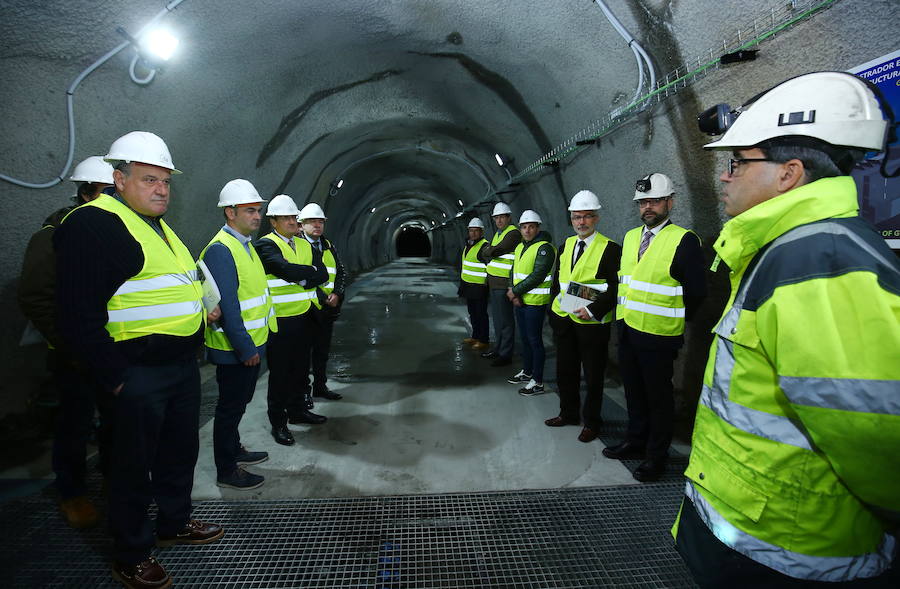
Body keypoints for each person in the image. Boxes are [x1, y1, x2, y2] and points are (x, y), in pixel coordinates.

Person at [673, 71, 900, 586]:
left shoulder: (820, 260)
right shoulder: (784, 251)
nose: (725, 176)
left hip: (792, 552)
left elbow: (876, 436)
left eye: (739, 162)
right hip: (755, 534)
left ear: (789, 174)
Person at [54, 132, 224, 589]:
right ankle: (131, 553)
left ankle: (173, 522)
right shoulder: (92, 225)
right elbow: (75, 312)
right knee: (130, 466)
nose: (161, 190)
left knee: (178, 453)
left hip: (179, 366)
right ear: (119, 179)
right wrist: (115, 378)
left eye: (166, 182)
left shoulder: (158, 226)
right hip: (135, 370)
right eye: (150, 179)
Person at [17, 156, 115, 528]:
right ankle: (71, 493)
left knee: (115, 422)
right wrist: (73, 343)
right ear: (87, 193)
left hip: (112, 349)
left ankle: (112, 480)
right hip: (74, 354)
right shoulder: (53, 236)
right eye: (105, 193)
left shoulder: (119, 235)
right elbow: (35, 296)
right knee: (73, 424)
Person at [603, 173, 706, 482]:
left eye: (654, 201)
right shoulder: (632, 237)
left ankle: (656, 457)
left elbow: (697, 292)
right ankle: (635, 441)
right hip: (629, 330)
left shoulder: (684, 240)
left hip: (660, 335)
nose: (648, 207)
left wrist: (673, 318)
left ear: (669, 202)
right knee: (633, 392)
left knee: (658, 398)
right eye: (643, 202)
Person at [199, 179, 276, 491]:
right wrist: (245, 349)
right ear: (230, 212)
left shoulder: (244, 244)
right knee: (229, 408)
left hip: (251, 342)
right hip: (234, 348)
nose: (257, 216)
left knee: (239, 403)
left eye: (258, 210)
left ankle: (234, 449)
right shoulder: (221, 249)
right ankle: (226, 468)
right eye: (249, 211)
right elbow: (228, 305)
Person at [544, 191, 621, 442]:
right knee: (565, 371)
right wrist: (553, 313)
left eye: (587, 216)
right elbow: (559, 282)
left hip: (592, 324)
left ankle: (592, 422)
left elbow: (617, 287)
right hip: (565, 321)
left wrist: (592, 309)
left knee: (593, 375)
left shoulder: (610, 249)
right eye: (577, 217)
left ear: (596, 218)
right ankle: (568, 413)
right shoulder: (565, 245)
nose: (581, 222)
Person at [254, 194, 328, 446]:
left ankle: (298, 411)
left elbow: (323, 275)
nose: (292, 222)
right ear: (273, 221)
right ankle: (278, 423)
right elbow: (283, 268)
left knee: (300, 370)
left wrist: (305, 275)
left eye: (293, 217)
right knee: (281, 374)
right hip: (282, 320)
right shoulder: (266, 245)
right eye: (285, 218)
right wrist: (309, 273)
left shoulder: (305, 244)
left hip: (307, 316)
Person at [297, 202, 346, 402]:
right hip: (308, 310)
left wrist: (337, 294)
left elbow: (341, 272)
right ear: (301, 225)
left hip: (327, 311)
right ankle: (303, 392)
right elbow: (299, 280)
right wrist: (323, 298)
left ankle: (320, 386)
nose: (317, 225)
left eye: (320, 222)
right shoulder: (297, 247)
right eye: (312, 221)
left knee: (322, 352)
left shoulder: (328, 245)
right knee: (303, 356)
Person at [506, 210, 555, 395]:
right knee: (525, 339)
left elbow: (538, 275)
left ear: (538, 228)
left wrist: (515, 291)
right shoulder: (520, 247)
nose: (527, 230)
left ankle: (538, 380)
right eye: (524, 227)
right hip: (520, 301)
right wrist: (513, 292)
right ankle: (527, 372)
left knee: (535, 341)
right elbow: (513, 271)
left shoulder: (545, 248)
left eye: (531, 227)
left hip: (535, 302)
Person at [477, 202, 521, 367]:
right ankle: (498, 348)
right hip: (494, 283)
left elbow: (495, 250)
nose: (499, 220)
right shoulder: (498, 233)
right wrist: (489, 250)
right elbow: (488, 250)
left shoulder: (513, 233)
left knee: (506, 321)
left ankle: (505, 354)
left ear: (509, 217)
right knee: (497, 320)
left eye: (502, 217)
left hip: (504, 284)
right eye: (497, 218)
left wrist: (490, 250)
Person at [458, 217, 490, 350]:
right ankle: (475, 336)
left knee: (481, 313)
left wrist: (486, 283)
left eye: (476, 231)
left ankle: (483, 339)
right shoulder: (469, 245)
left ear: (481, 232)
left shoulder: (485, 246)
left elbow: (490, 266)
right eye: (471, 231)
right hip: (468, 285)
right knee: (472, 313)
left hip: (480, 286)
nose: (473, 233)